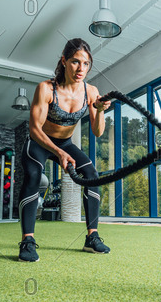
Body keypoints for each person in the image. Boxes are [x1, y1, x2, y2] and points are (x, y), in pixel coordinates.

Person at [18, 38, 111, 262]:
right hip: (39, 141)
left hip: (66, 142)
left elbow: (98, 132)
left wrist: (99, 111)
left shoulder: (91, 91)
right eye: (75, 62)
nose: (81, 69)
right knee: (33, 175)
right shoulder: (46, 88)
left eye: (86, 64)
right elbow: (34, 129)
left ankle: (92, 237)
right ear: (64, 61)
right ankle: (27, 240)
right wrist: (58, 153)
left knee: (92, 176)